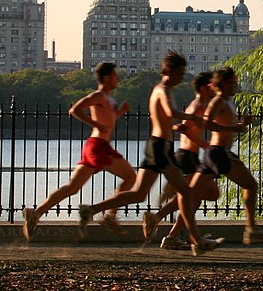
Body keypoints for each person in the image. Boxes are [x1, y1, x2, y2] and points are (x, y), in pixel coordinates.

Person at [78, 51, 220, 256]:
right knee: (187, 192)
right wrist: (194, 118)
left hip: (155, 145)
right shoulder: (163, 89)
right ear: (169, 71)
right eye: (180, 73)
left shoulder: (160, 89)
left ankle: (91, 209)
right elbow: (170, 112)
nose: (182, 77)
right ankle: (196, 240)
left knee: (138, 193)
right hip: (161, 146)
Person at [21, 61, 135, 241]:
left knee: (72, 188)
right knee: (131, 177)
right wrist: (94, 123)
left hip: (99, 146)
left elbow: (108, 120)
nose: (117, 78)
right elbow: (75, 110)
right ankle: (110, 216)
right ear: (106, 78)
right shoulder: (97, 96)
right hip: (98, 146)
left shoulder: (109, 98)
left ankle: (35, 214)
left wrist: (120, 112)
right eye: (115, 75)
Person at [187, 66, 263, 245]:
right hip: (219, 153)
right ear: (225, 84)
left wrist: (241, 124)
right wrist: (233, 127)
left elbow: (228, 126)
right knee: (251, 185)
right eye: (233, 82)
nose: (236, 85)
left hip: (216, 153)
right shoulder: (218, 100)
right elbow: (207, 124)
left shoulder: (227, 101)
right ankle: (251, 230)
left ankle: (168, 227)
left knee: (190, 193)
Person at [142, 70, 222, 248]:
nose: (214, 90)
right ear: (203, 88)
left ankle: (172, 236)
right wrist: (204, 144)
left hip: (189, 156)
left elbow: (180, 126)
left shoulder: (199, 105)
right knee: (203, 194)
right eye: (211, 86)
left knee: (197, 196)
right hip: (187, 157)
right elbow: (184, 128)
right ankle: (160, 221)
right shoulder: (198, 106)